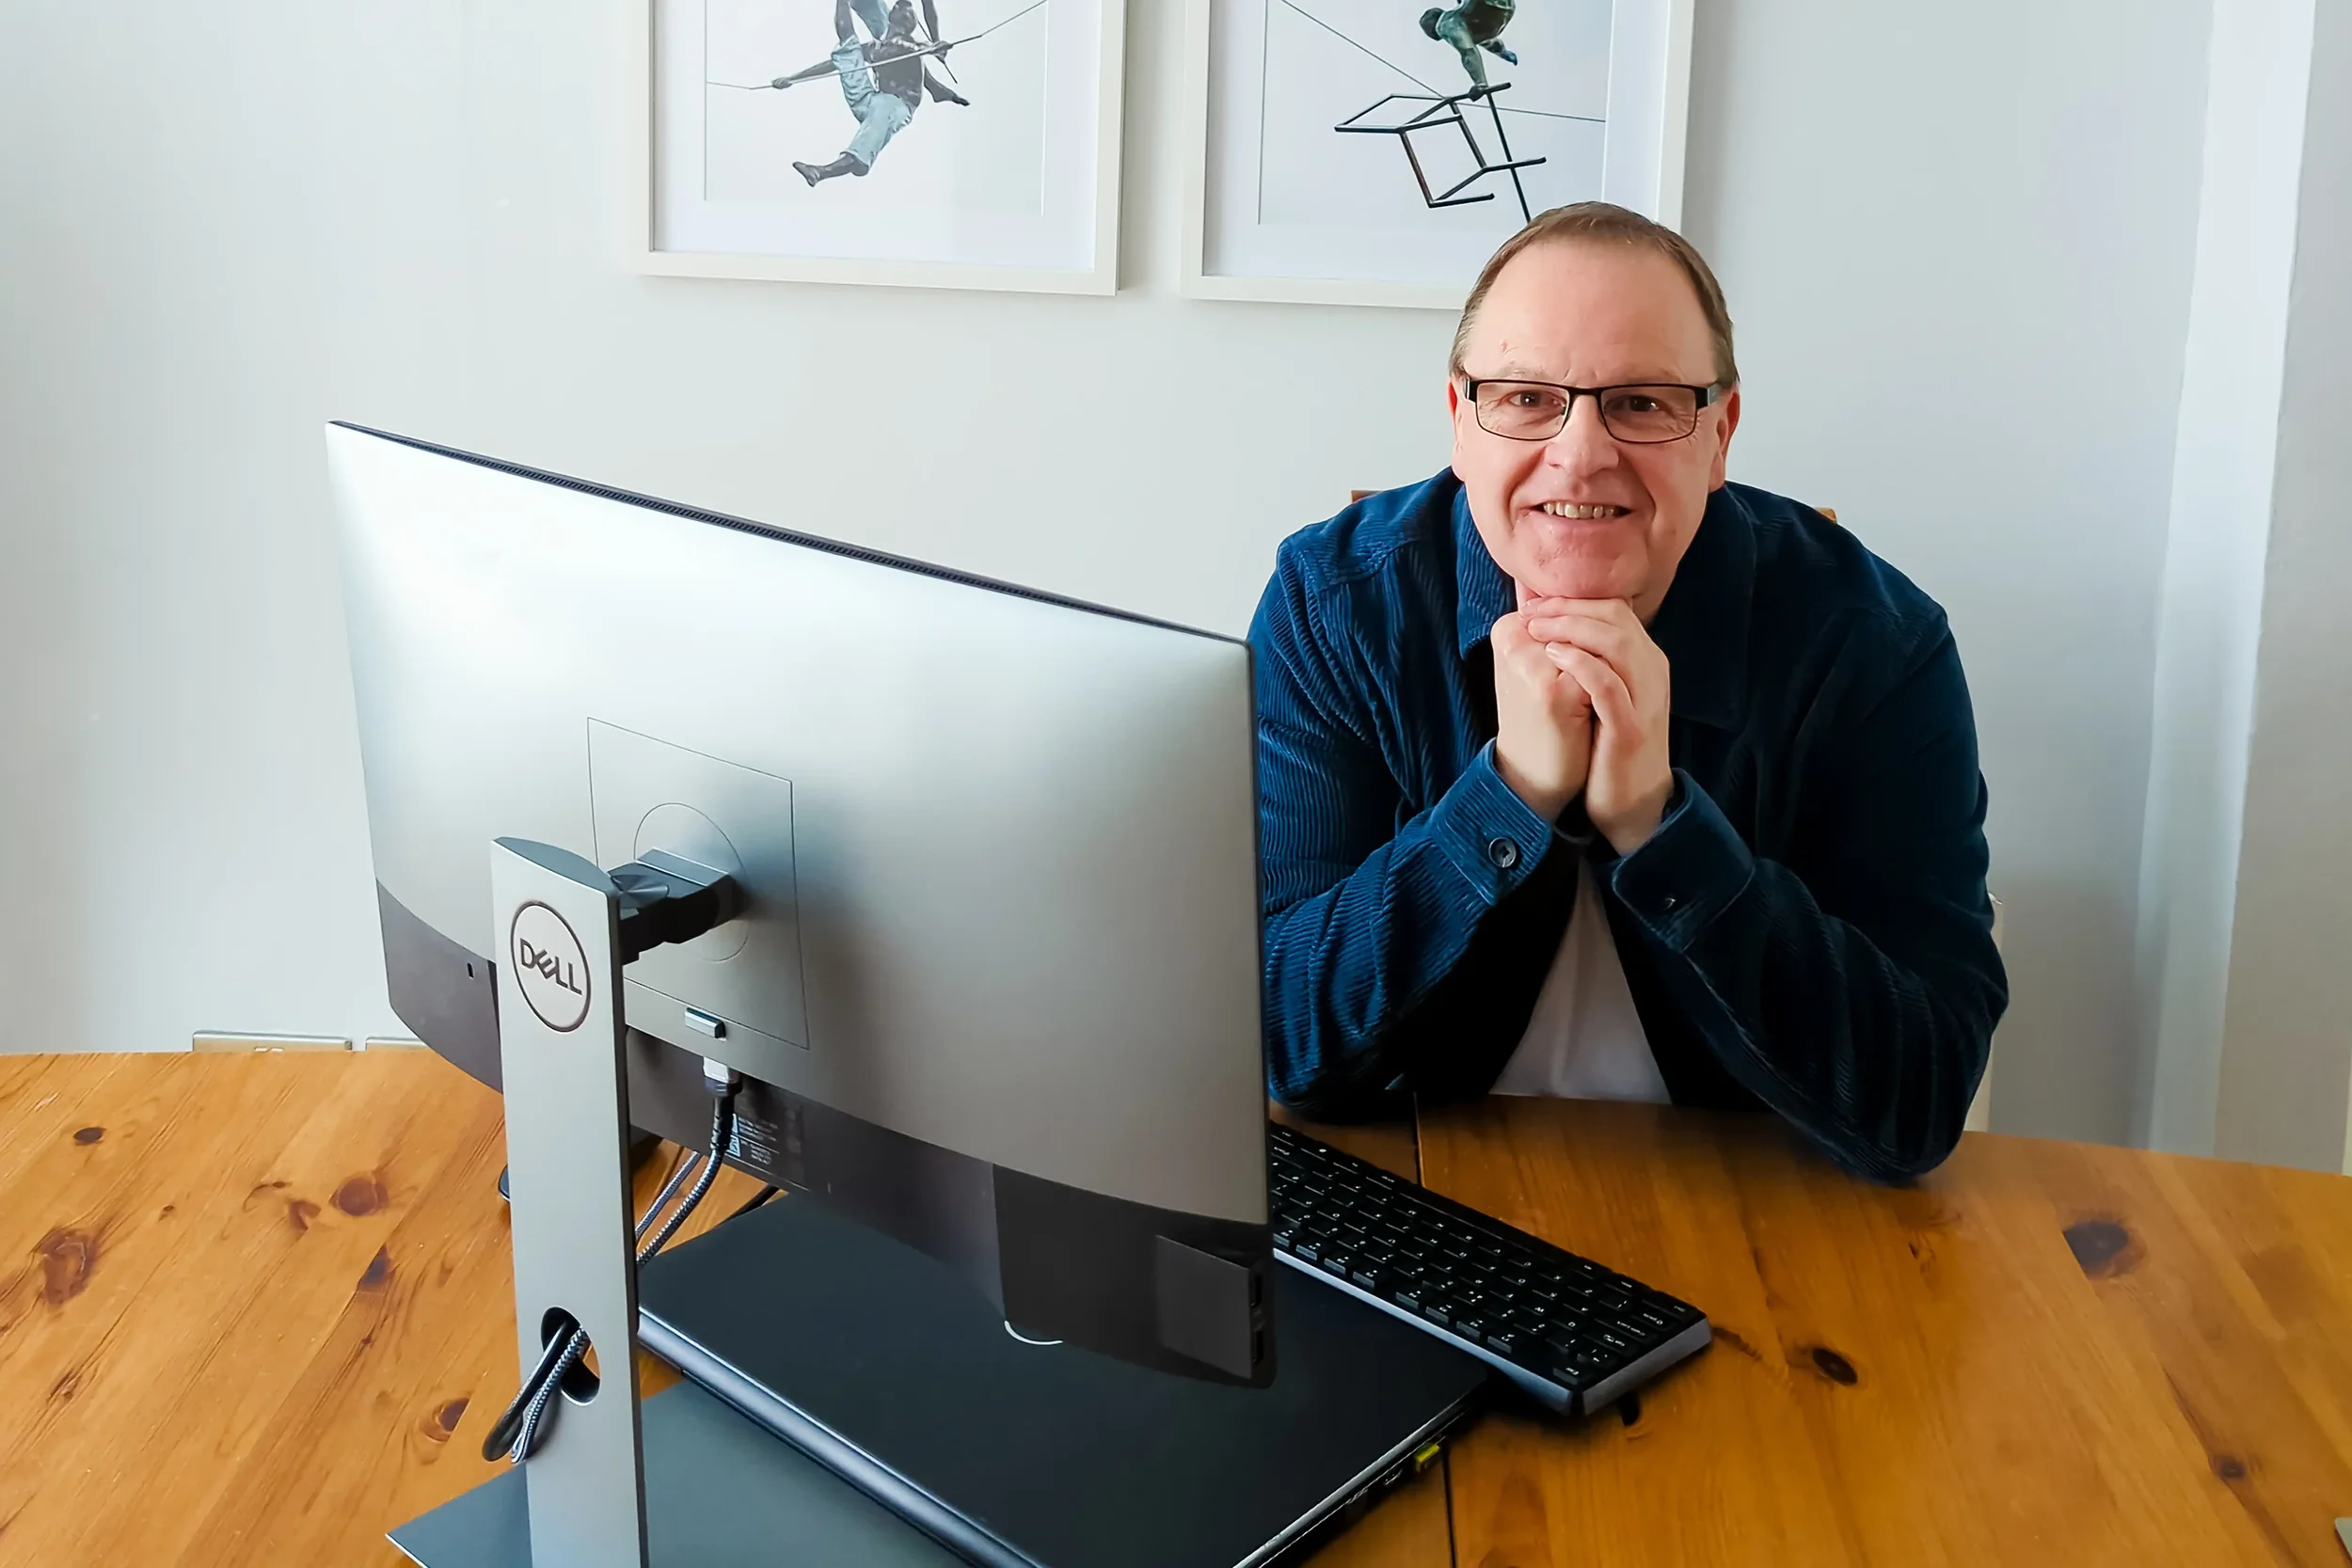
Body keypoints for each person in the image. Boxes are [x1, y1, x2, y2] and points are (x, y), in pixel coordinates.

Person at [1249, 202, 2006, 1181]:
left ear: (1719, 432)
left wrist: (1659, 825)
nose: (1579, 453)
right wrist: (1506, 798)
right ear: (1459, 422)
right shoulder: (1335, 606)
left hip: (1759, 1200)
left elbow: (1920, 1096)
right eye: (1525, 397)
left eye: (1642, 402)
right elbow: (1275, 1041)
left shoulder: (1872, 643)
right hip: (1417, 1186)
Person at [775, 0, 968, 186]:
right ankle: (938, 91)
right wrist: (792, 78)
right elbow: (832, 64)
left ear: (907, 23)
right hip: (867, 99)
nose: (903, 5)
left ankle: (823, 171)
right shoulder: (875, 48)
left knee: (880, 117)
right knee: (849, 53)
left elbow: (920, 47)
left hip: (896, 105)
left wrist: (935, 46)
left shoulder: (908, 45)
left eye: (909, 11)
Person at [1419, 0, 1518, 94]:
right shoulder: (1463, 23)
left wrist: (1480, 83)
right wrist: (1503, 52)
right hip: (1501, 8)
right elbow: (1487, 40)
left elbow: (1468, 51)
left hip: (1495, 7)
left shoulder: (1444, 25)